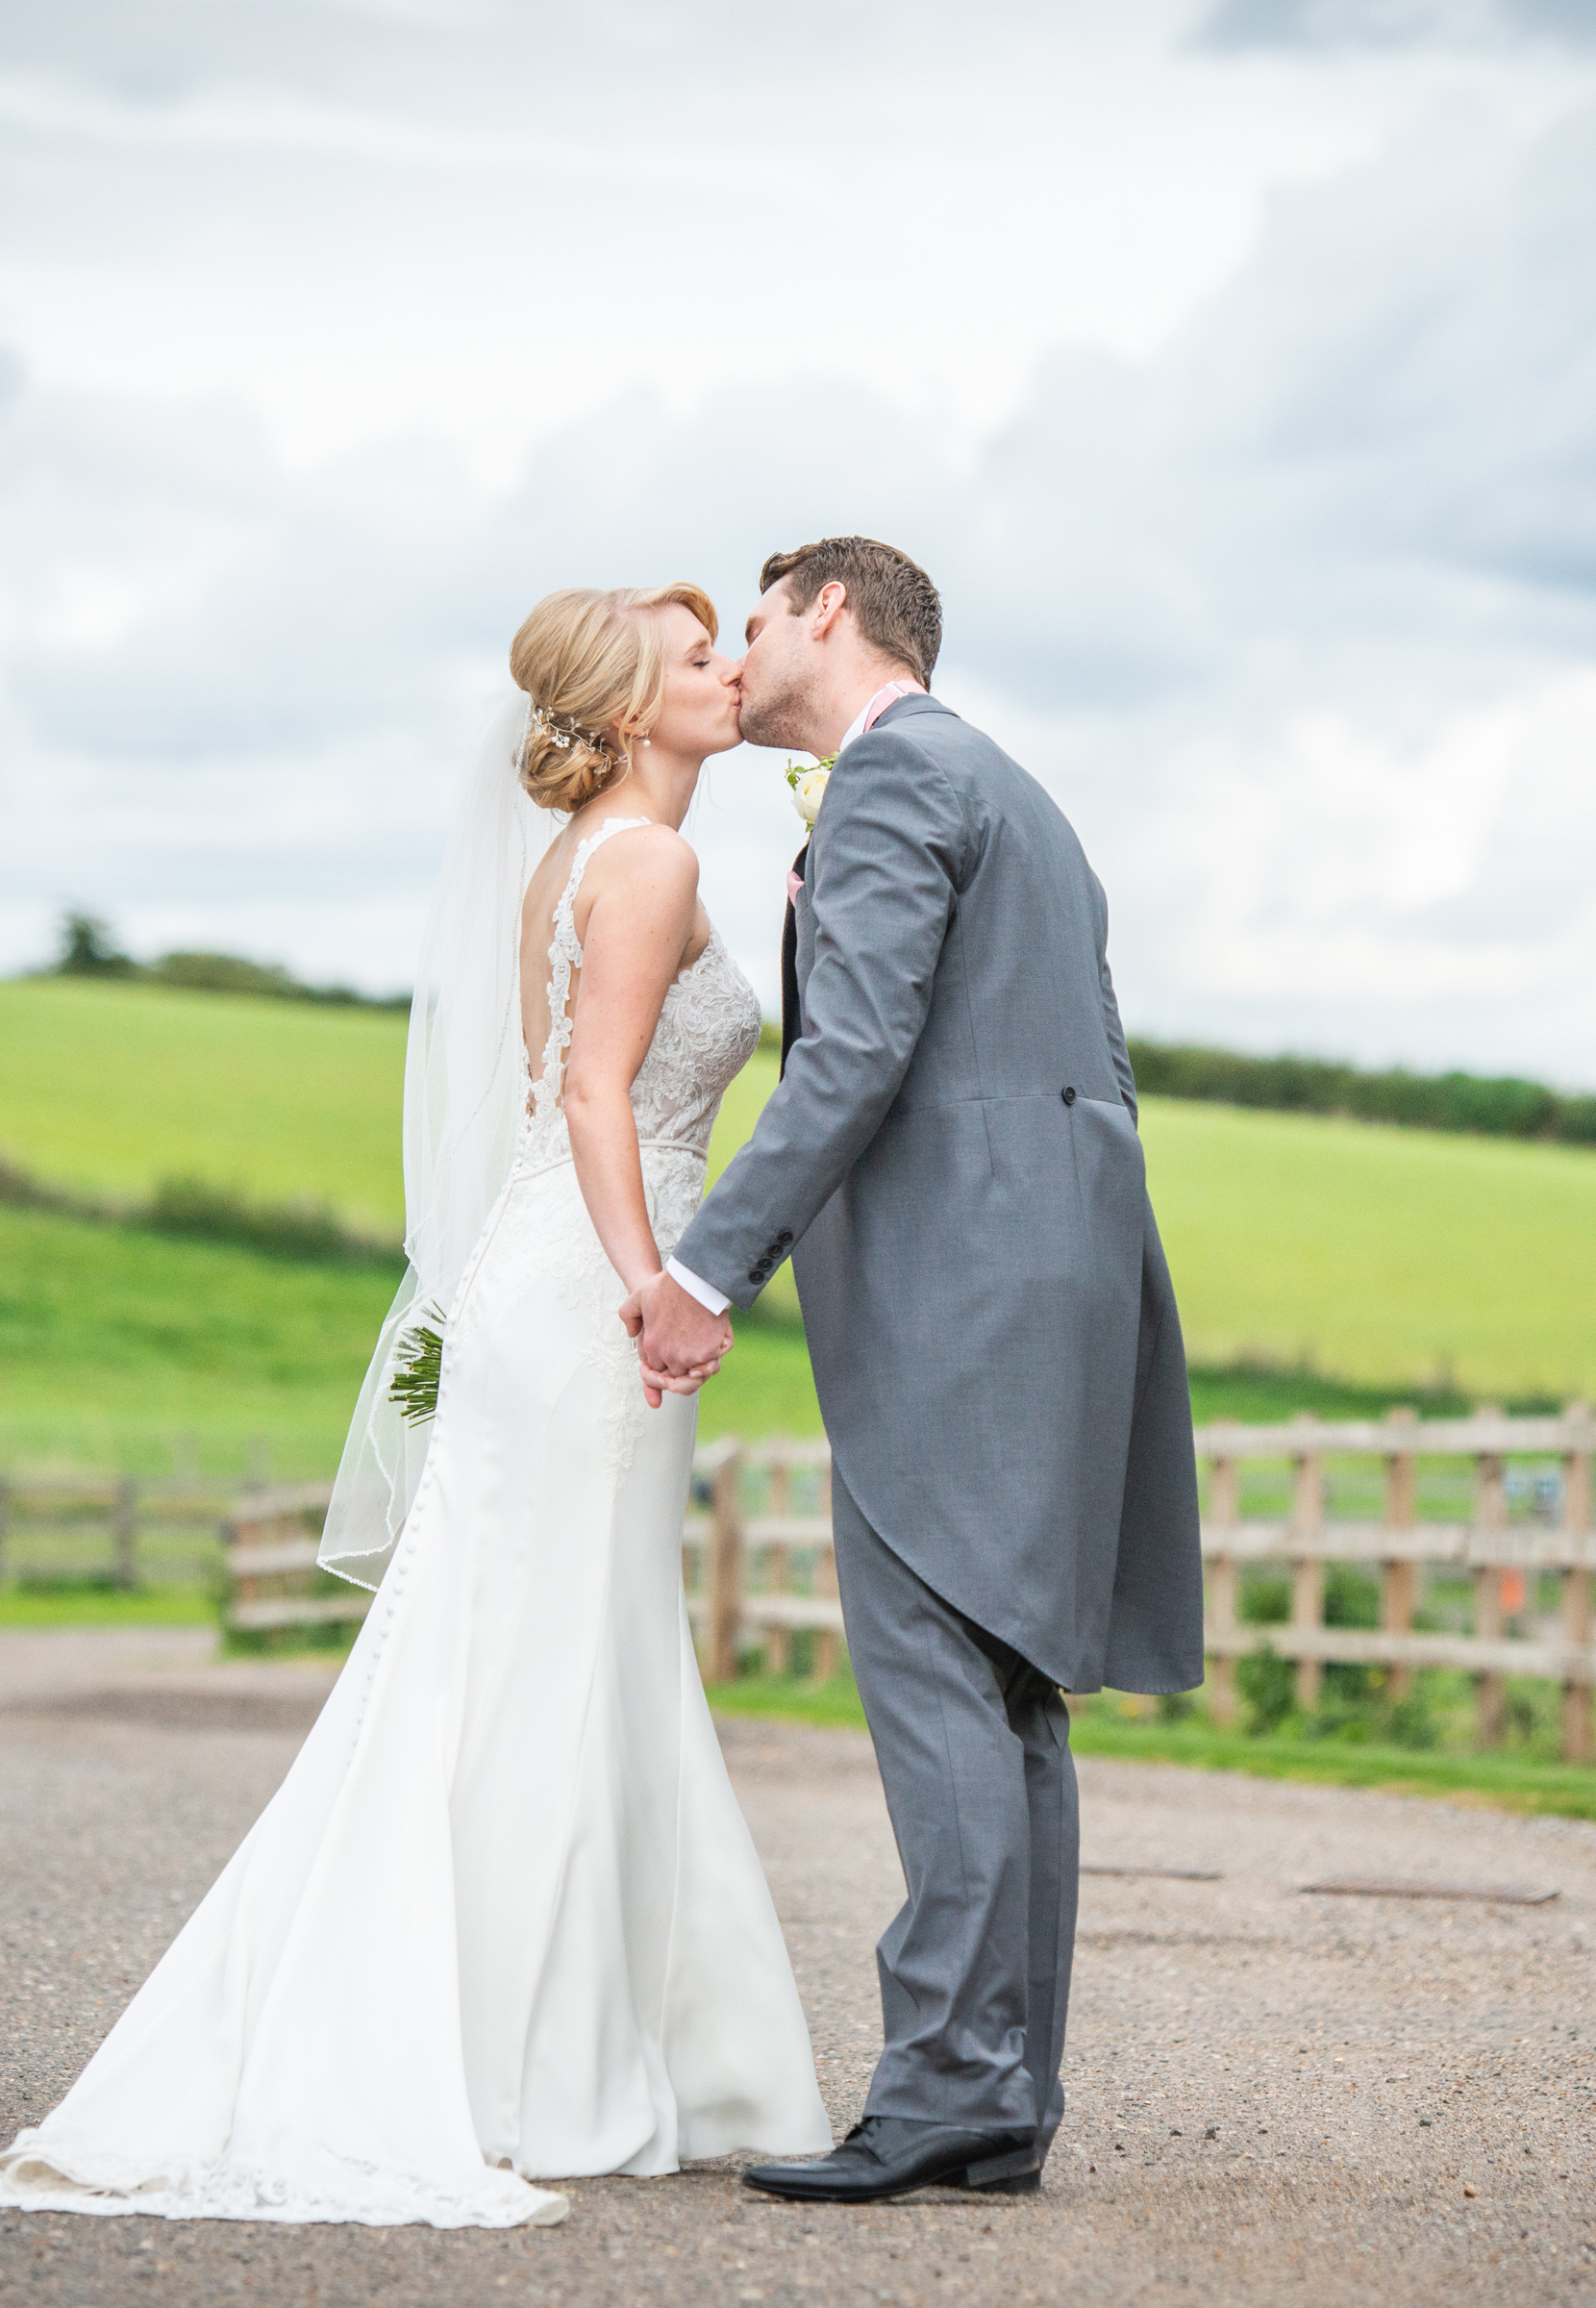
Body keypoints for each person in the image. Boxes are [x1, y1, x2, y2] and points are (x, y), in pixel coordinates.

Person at [0, 582, 830, 2229]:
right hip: (584, 1294)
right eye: (704, 660)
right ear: (637, 712)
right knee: (557, 1656)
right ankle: (524, 2072)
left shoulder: (574, 863)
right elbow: (590, 1093)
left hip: (540, 1283)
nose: (733, 673)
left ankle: (582, 2052)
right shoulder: (647, 861)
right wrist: (660, 1284)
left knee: (555, 1649)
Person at [624, 537, 1204, 2205]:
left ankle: (948, 2080)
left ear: (828, 610)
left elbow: (859, 1051)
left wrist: (702, 1264)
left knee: (941, 1669)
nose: (738, 657)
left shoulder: (891, 785)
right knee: (1013, 1693)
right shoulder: (1012, 787)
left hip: (962, 1293)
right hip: (1064, 1276)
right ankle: (1001, 2096)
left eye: (752, 622)